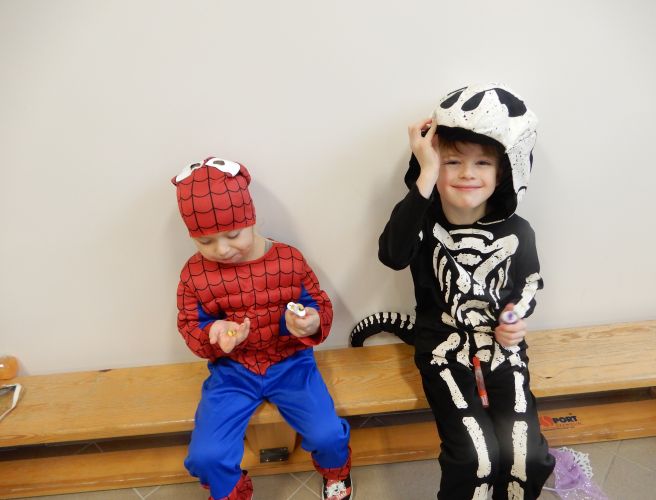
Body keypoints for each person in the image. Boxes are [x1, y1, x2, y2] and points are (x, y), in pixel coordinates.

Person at [378, 83, 555, 499]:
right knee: (475, 457)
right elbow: (392, 255)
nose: (467, 173)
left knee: (526, 455)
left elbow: (529, 283)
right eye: (451, 161)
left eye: (482, 163)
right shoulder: (422, 223)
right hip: (442, 344)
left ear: (503, 172)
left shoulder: (517, 232)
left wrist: (513, 317)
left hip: (501, 344)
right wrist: (424, 174)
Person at [172, 157, 352, 500]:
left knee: (327, 434)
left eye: (233, 235)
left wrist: (310, 321)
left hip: (292, 363)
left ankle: (336, 473)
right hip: (233, 371)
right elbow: (190, 325)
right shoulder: (194, 275)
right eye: (205, 241)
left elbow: (319, 304)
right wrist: (214, 335)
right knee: (205, 456)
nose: (222, 249)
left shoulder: (289, 260)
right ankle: (232, 491)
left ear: (250, 218)